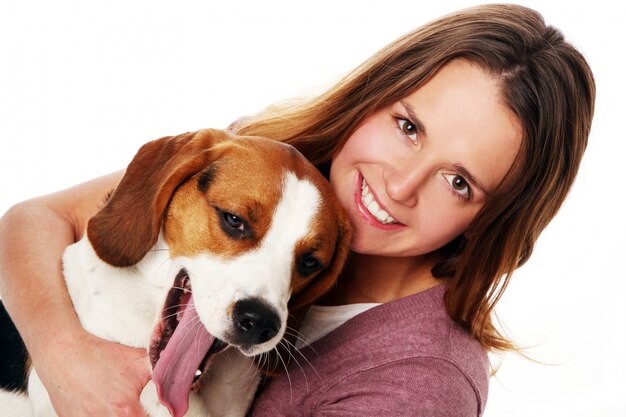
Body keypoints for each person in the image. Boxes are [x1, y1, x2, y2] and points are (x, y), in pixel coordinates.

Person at [0, 4, 594, 417]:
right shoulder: (264, 166)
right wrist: (64, 358)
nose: (401, 185)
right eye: (408, 126)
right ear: (375, 95)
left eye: (459, 182)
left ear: (496, 221)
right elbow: (33, 222)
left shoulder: (417, 386)